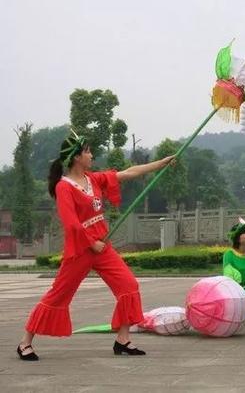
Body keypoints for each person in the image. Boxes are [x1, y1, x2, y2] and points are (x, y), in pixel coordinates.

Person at [17, 132, 175, 360]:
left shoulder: (93, 179)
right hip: (81, 249)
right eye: (88, 151)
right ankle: (25, 343)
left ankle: (122, 340)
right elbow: (71, 223)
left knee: (128, 285)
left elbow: (129, 173)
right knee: (58, 295)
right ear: (76, 157)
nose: (92, 155)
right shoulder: (64, 187)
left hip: (103, 248)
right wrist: (92, 242)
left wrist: (161, 164)